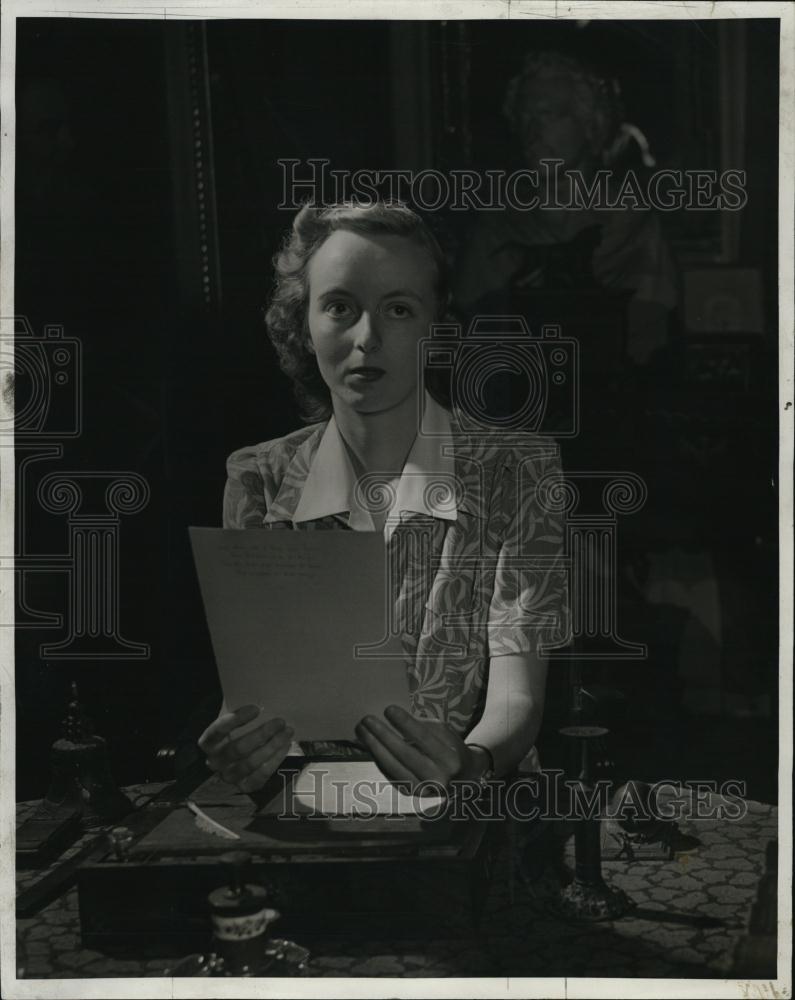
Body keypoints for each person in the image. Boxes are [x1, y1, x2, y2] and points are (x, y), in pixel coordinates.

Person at [198, 201, 569, 797]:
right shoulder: (258, 480)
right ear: (302, 323)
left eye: (398, 309)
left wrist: (472, 761)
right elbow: (253, 691)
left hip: (474, 809)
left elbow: (516, 697)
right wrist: (238, 742)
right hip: (313, 811)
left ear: (436, 326)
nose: (367, 338)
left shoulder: (517, 472)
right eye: (340, 307)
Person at [454, 51, 677, 366]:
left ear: (591, 123)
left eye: (550, 115)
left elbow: (651, 340)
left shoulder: (633, 226)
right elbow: (472, 335)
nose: (534, 133)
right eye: (525, 117)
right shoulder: (495, 227)